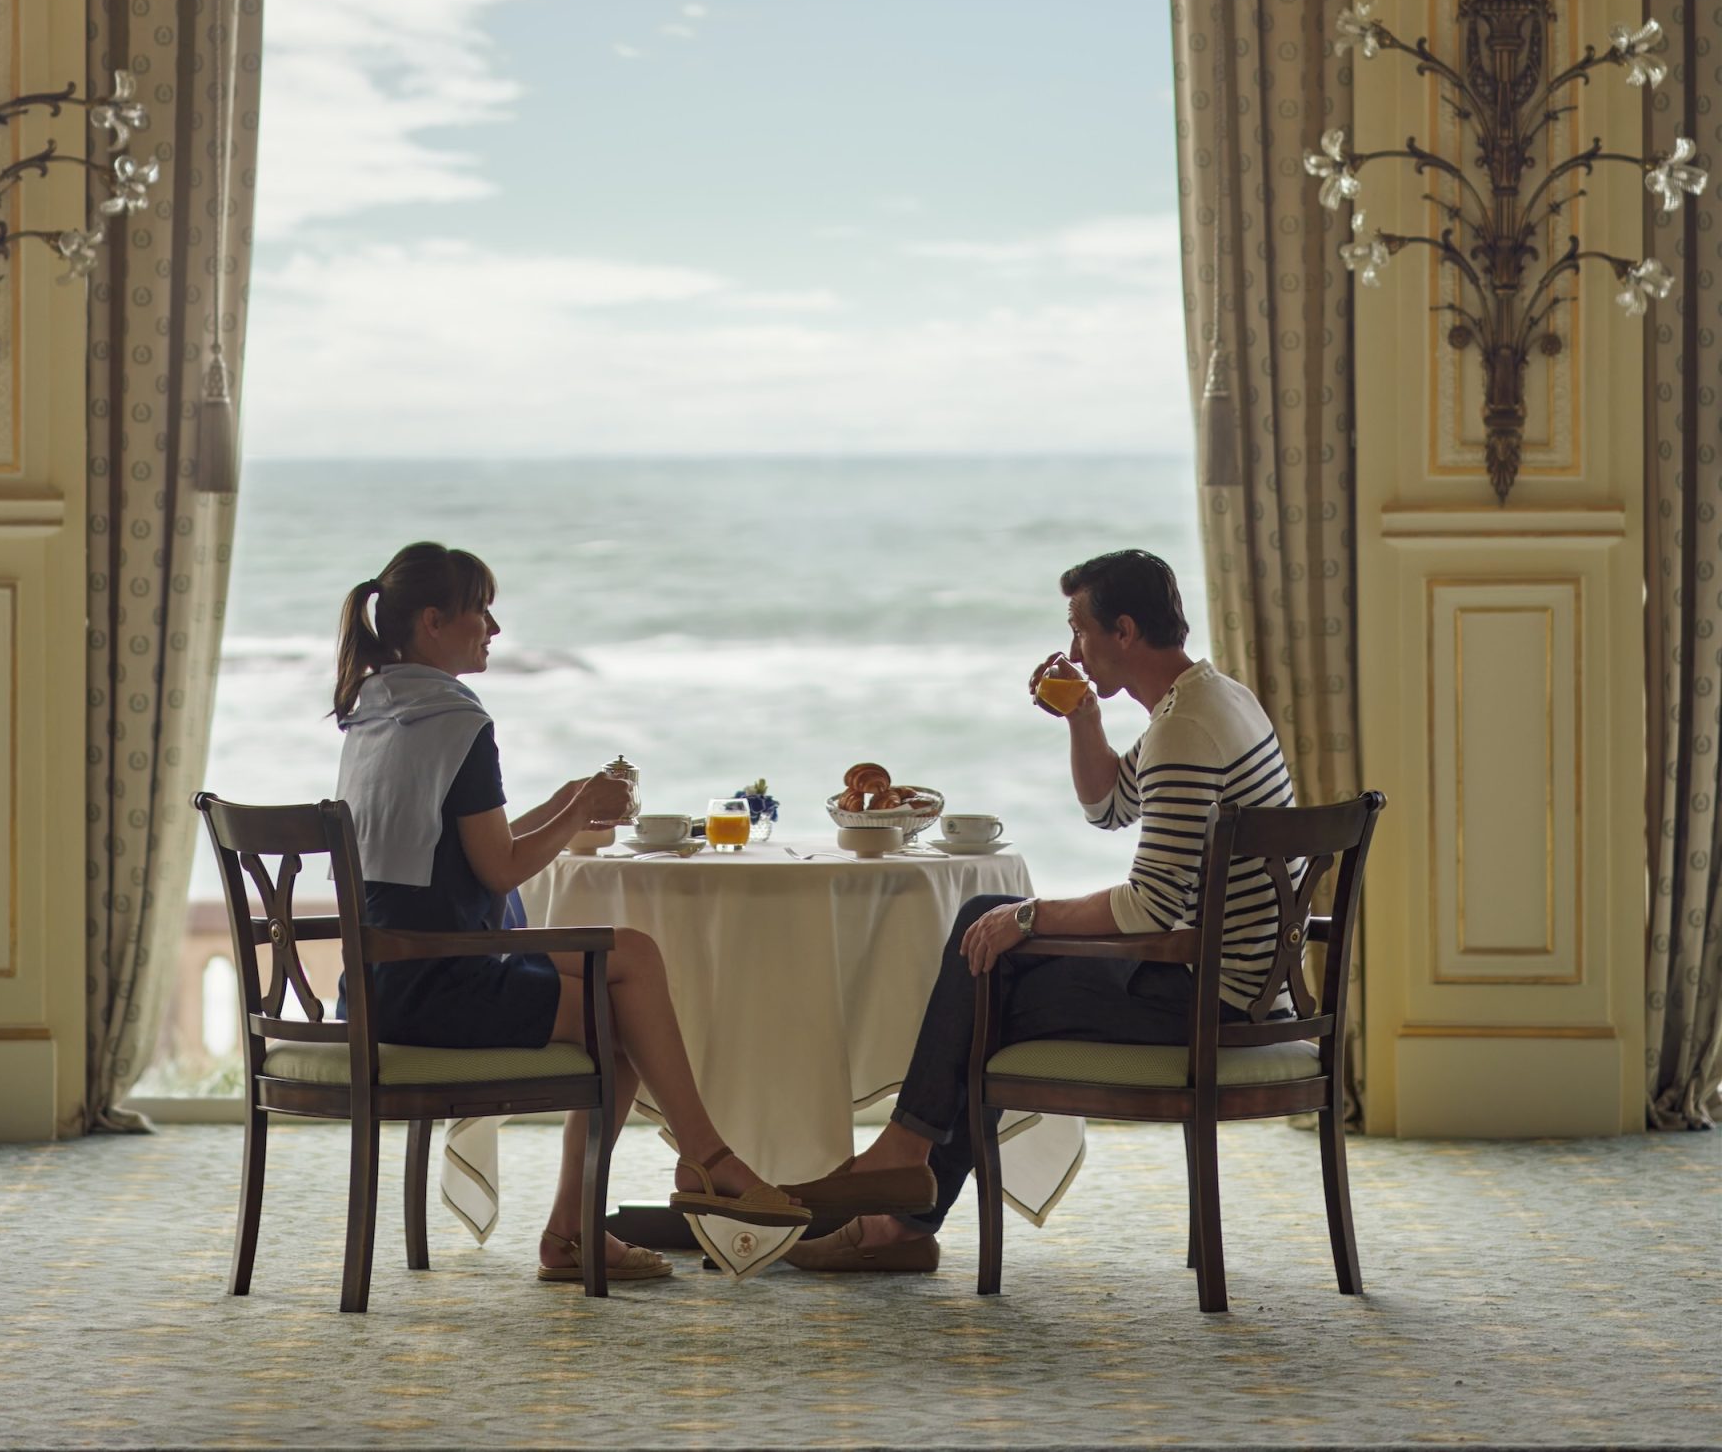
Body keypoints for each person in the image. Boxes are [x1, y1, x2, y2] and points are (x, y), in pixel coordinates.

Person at [783, 548, 1298, 1272]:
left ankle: (902, 1192)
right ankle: (901, 1192)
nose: (1076, 649)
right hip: (1238, 978)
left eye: (1081, 629)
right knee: (983, 932)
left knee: (987, 974)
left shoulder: (1186, 729)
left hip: (1211, 995)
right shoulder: (1207, 698)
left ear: (1123, 629)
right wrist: (1082, 716)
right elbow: (1111, 807)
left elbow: (1149, 906)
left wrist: (1029, 918)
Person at [331, 541, 807, 1285]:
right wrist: (583, 806)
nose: (493, 627)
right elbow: (501, 867)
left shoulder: (376, 712)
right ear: (432, 621)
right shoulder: (458, 721)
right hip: (440, 983)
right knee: (621, 1015)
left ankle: (673, 1175)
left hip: (386, 976)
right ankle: (675, 1176)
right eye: (480, 611)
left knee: (632, 957)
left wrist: (564, 802)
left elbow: (457, 850)